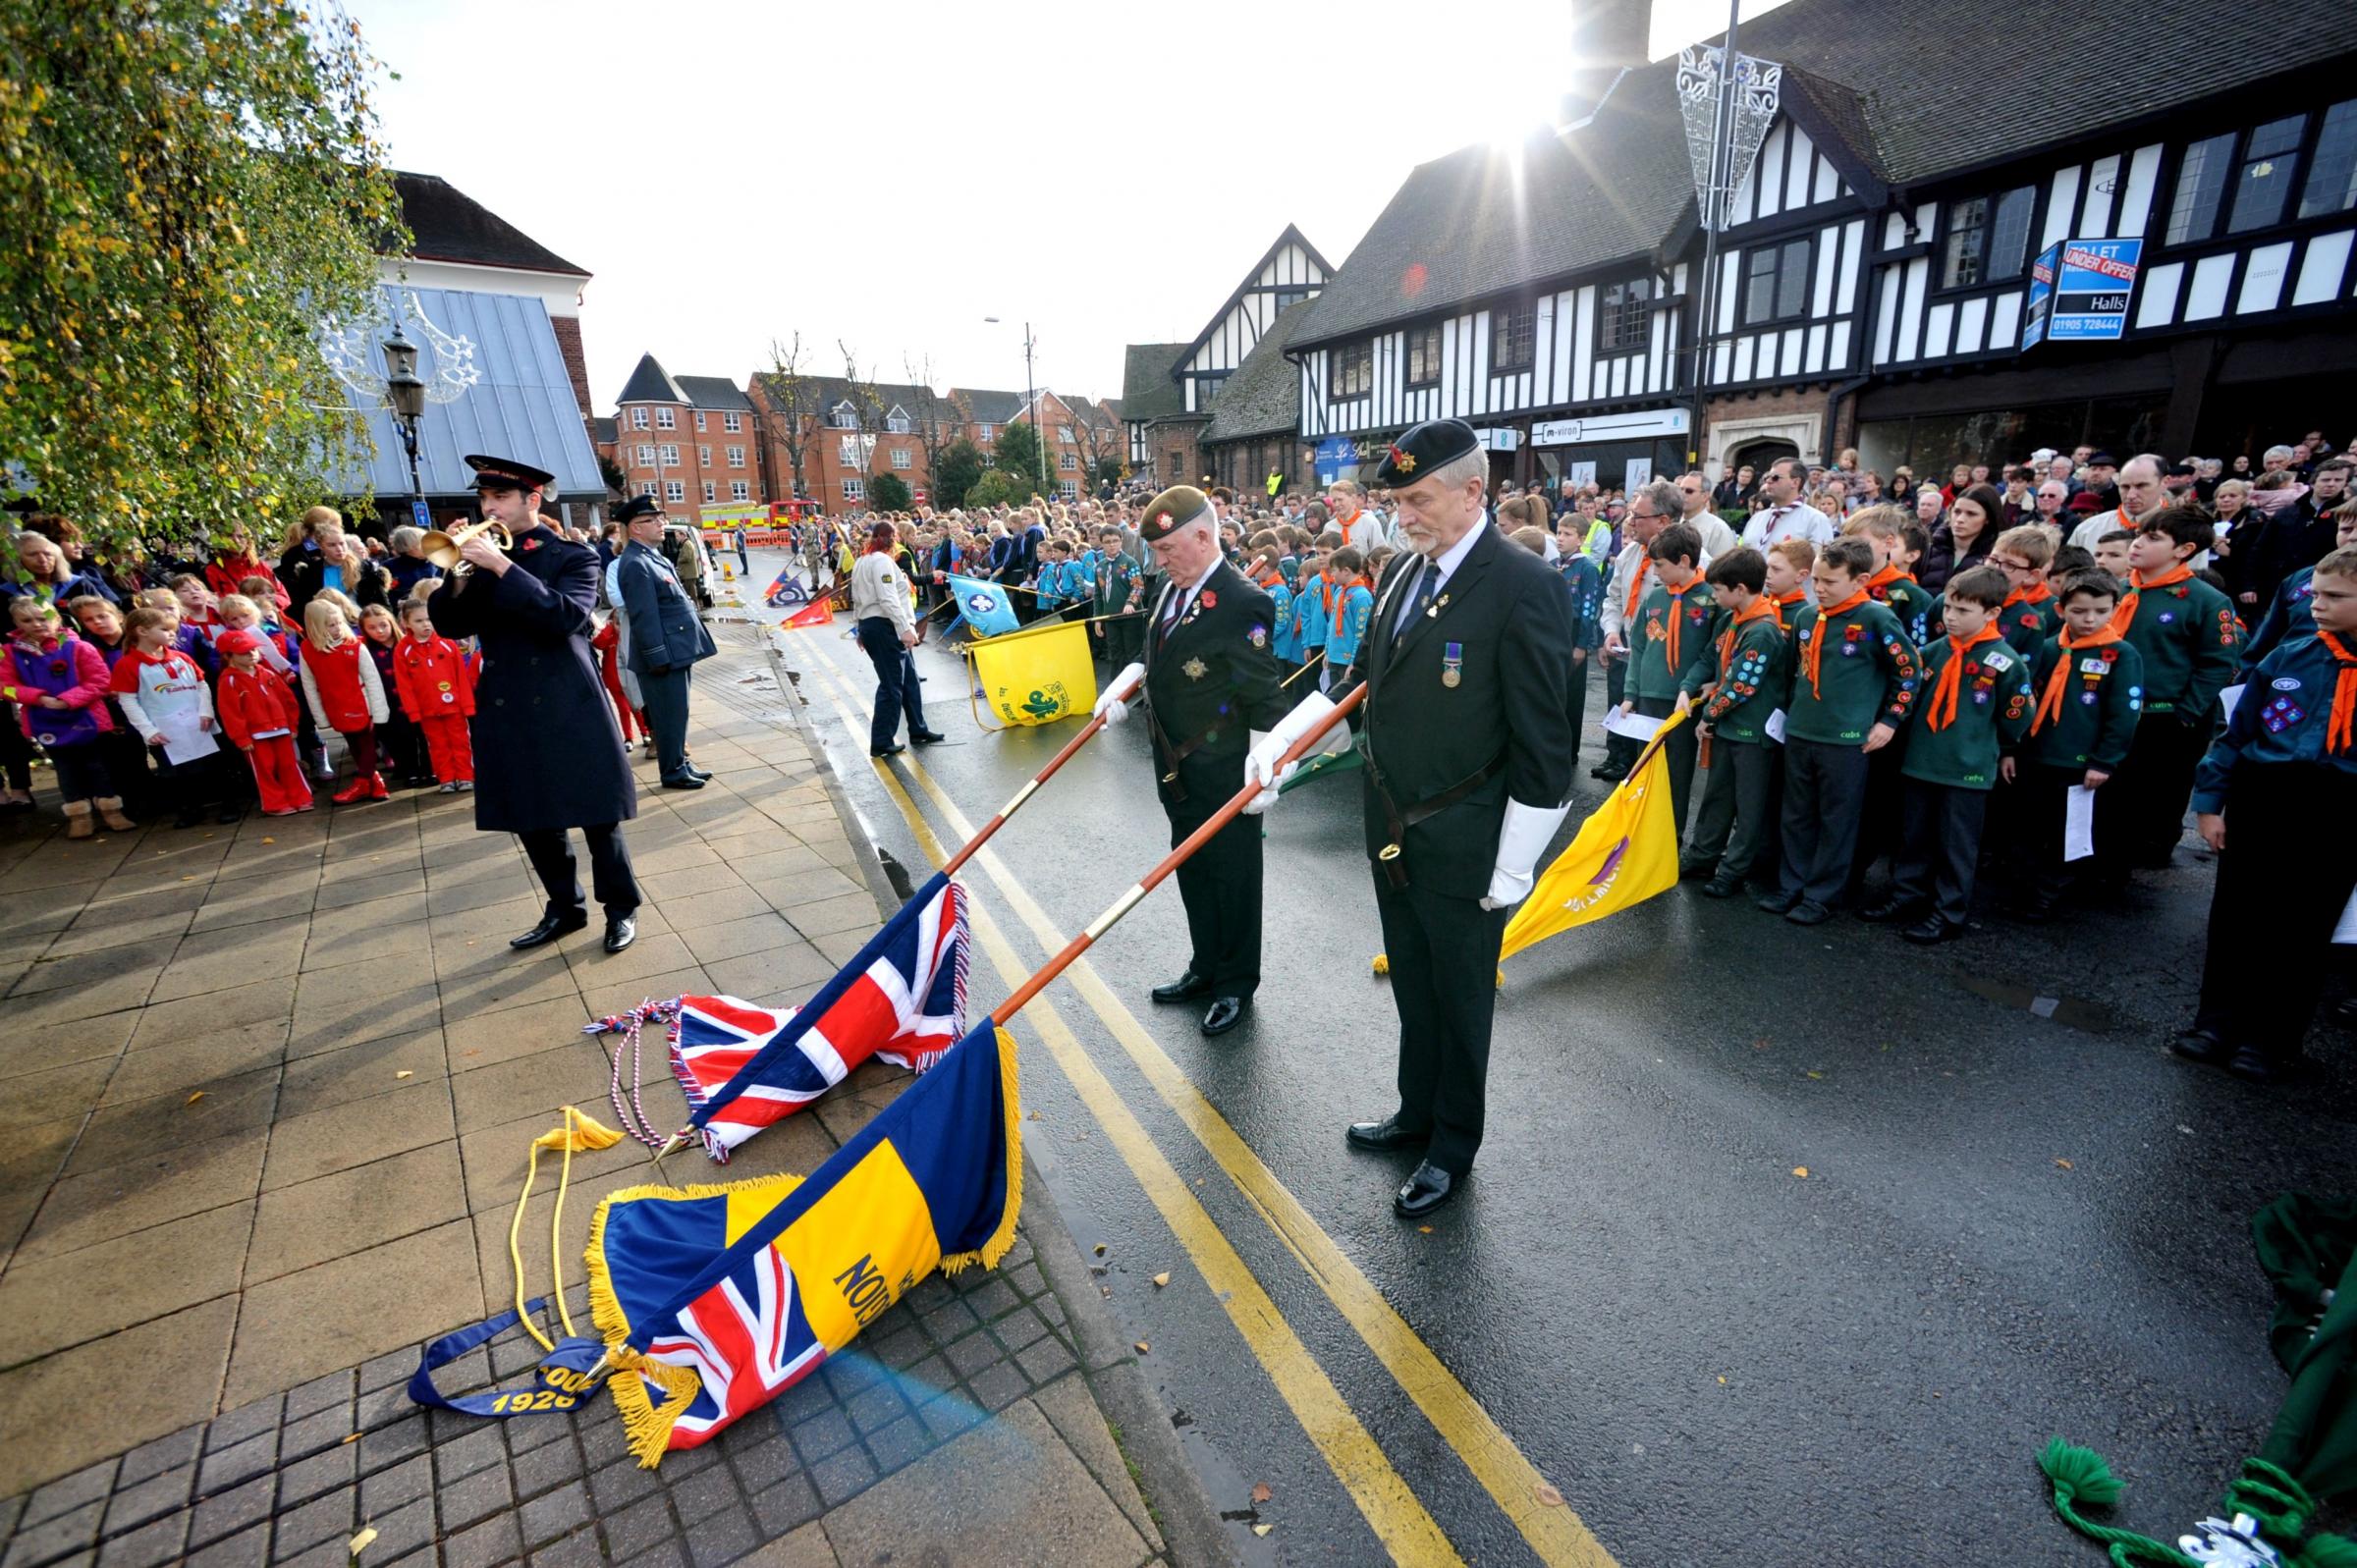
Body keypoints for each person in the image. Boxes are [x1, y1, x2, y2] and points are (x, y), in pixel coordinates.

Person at [1248, 420, 1575, 1217]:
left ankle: (1452, 1145)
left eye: (1419, 498)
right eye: (1396, 500)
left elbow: (1545, 740)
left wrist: (1515, 861)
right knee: (1415, 985)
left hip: (1467, 837)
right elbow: (1359, 679)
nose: (1405, 514)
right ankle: (1415, 1111)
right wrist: (1283, 745)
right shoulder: (1403, 575)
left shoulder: (1524, 586)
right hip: (1394, 824)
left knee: (1461, 1002)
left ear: (1474, 491)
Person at [427, 454, 643, 955]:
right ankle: (564, 909)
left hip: (569, 701)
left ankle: (620, 908)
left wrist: (500, 565)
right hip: (510, 704)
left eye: (499, 497)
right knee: (533, 817)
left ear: (533, 498)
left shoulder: (573, 556)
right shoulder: (476, 562)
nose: (490, 507)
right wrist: (456, 574)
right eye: (484, 498)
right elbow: (451, 625)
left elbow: (564, 616)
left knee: (597, 817)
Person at [1092, 485, 1287, 1038]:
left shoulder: (1243, 600)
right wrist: (1127, 685)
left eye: (1167, 550)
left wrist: (1265, 768)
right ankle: (1205, 967)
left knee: (1233, 879)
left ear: (1203, 536)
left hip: (1225, 771)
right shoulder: (1173, 588)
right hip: (1174, 765)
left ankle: (1234, 985)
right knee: (1192, 871)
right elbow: (1157, 653)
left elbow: (1263, 696)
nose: (1158, 562)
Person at [2172, 545, 2357, 1084]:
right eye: (2315, 593)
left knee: (2302, 928)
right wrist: (2210, 805)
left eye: (2334, 597)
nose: (2316, 604)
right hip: (2265, 795)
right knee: (2238, 917)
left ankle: (2270, 1039)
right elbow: (2237, 732)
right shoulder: (2291, 654)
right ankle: (2215, 1024)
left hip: (2338, 806)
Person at [1859, 568, 2031, 943]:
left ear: (1991, 614)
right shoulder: (1932, 653)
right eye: (1948, 607)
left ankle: (1948, 912)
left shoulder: (2004, 662)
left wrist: (1999, 747)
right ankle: (1907, 896)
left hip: (1966, 769)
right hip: (1922, 761)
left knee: (1957, 845)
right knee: (1913, 836)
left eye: (1963, 611)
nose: (1950, 617)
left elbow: (2016, 715)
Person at [1760, 537, 1919, 925]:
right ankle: (1791, 884)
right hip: (1801, 731)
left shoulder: (1877, 618)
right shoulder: (1805, 617)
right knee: (1796, 815)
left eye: (1830, 581)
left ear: (1860, 579)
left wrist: (1889, 721)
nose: (1820, 588)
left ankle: (1821, 894)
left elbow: (1909, 672)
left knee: (1837, 820)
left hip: (1846, 741)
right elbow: (1792, 673)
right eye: (1816, 579)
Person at [2009, 571, 2142, 921]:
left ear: (2114, 608)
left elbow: (2123, 713)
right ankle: (2025, 887)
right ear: (2061, 609)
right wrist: (2013, 748)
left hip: (2081, 761)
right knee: (2030, 824)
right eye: (2080, 611)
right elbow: (2027, 699)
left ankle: (2050, 892)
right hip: (2038, 754)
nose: (2090, 619)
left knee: (2066, 831)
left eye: (2100, 611)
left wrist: (2104, 761)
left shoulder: (2121, 654)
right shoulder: (2051, 647)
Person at [1684, 546, 1786, 895]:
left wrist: (1708, 715)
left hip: (1752, 732)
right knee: (1717, 796)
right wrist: (1716, 685)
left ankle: (1733, 870)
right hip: (1731, 727)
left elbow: (1742, 686)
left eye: (1718, 590)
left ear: (1740, 589)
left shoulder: (1762, 631)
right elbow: (1727, 669)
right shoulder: (1734, 619)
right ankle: (1702, 855)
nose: (1713, 595)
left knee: (1748, 806)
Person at [614, 496, 719, 788]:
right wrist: (656, 656)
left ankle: (680, 763)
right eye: (654, 519)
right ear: (635, 528)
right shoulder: (635, 563)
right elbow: (643, 616)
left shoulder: (651, 556)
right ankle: (672, 771)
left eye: (661, 517)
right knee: (668, 715)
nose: (662, 523)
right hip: (662, 656)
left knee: (678, 712)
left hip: (677, 651)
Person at [4, 598, 129, 838]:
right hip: (45, 719)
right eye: (27, 620)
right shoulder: (9, 653)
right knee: (65, 769)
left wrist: (68, 699)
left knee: (97, 766)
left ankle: (111, 811)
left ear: (57, 619)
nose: (37, 624)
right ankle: (78, 816)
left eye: (43, 618)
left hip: (86, 716)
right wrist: (39, 698)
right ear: (16, 623)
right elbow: (5, 686)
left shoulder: (79, 646)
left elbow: (101, 680)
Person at [1620, 521, 1713, 833]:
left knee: (1676, 774)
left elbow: (1711, 654)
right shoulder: (1655, 599)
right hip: (1649, 698)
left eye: (1659, 565)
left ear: (1684, 561)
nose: (1654, 571)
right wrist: (1630, 693)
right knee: (1644, 771)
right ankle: (1640, 837)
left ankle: (1668, 841)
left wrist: (1692, 687)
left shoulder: (1712, 601)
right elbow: (1638, 646)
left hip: (1683, 704)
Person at [110, 605, 227, 828]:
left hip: (199, 723)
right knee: (176, 774)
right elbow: (128, 700)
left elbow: (201, 684)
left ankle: (227, 806)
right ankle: (189, 810)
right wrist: (148, 730)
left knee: (213, 767)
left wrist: (206, 711)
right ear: (142, 631)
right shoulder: (128, 665)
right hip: (164, 730)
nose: (172, 633)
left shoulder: (181, 657)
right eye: (165, 629)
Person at [1595, 480, 1680, 782]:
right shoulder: (1631, 553)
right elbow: (1614, 597)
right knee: (1620, 703)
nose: (1631, 521)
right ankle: (1618, 760)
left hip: (1660, 658)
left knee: (1649, 719)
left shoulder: (1689, 561)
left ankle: (1646, 774)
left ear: (1663, 521)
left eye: (1637, 517)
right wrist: (1611, 630)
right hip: (1626, 647)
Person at [850, 518, 942, 760]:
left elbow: (857, 597)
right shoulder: (881, 562)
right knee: (892, 686)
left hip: (874, 625)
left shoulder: (862, 561)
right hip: (885, 626)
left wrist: (859, 627)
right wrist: (905, 629)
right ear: (893, 539)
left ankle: (918, 730)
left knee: (909, 680)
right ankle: (881, 742)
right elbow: (888, 598)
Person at [299, 597, 390, 803]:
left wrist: (378, 711)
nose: (337, 628)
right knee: (354, 744)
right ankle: (375, 784)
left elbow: (372, 679)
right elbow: (309, 686)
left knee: (367, 744)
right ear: (316, 626)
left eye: (339, 622)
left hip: (362, 705)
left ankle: (361, 783)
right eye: (331, 625)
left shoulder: (356, 646)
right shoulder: (308, 650)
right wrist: (320, 717)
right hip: (335, 706)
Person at [212, 626, 312, 816]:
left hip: (281, 728)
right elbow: (230, 713)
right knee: (264, 770)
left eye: (253, 649)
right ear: (229, 656)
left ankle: (301, 797)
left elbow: (288, 700)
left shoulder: (268, 674)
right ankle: (275, 803)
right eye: (244, 652)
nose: (251, 654)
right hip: (255, 735)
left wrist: (292, 724)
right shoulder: (229, 681)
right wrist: (241, 738)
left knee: (289, 765)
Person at [393, 600, 476, 793]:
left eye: (429, 619)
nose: (426, 624)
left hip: (454, 708)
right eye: (419, 620)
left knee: (461, 743)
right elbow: (403, 684)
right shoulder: (403, 650)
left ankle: (465, 776)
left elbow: (461, 678)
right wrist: (413, 711)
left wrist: (468, 705)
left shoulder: (447, 643)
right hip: (427, 710)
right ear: (406, 623)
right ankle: (446, 778)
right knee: (438, 746)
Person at [1990, 525, 2059, 656]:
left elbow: (2025, 670)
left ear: (2031, 575)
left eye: (2009, 565)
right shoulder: (1951, 599)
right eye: (1993, 559)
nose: (1996, 568)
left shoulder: (2033, 622)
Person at [1741, 459, 1837, 552]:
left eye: (1775, 477)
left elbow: (1820, 562)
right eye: (1767, 477)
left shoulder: (1816, 520)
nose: (1768, 481)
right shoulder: (1756, 518)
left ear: (1795, 482)